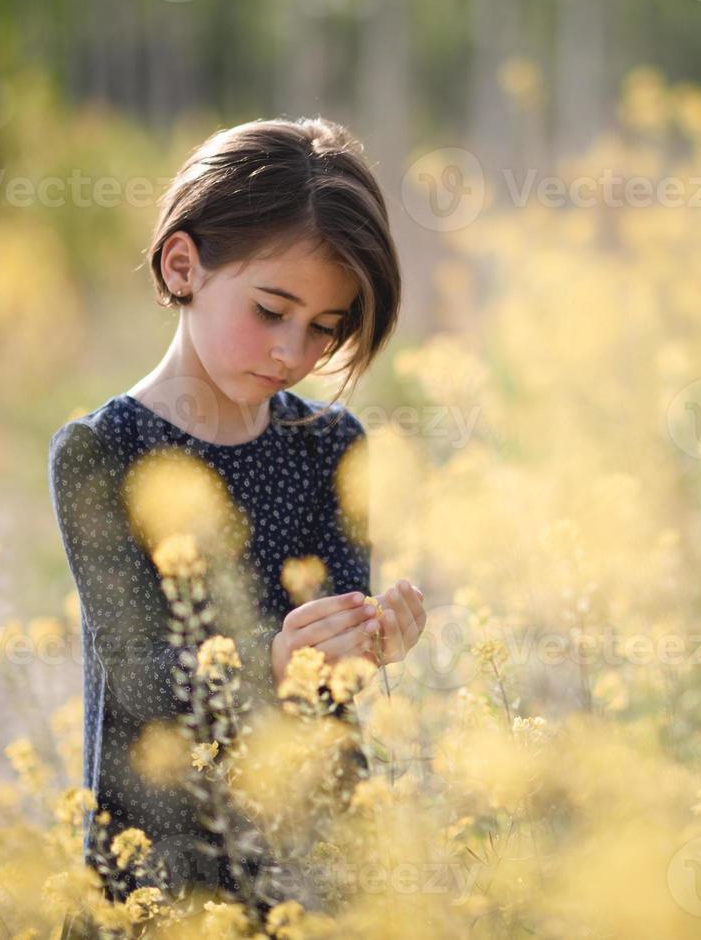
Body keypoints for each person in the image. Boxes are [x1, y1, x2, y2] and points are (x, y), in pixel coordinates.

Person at [46, 117, 428, 916]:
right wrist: (271, 661)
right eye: (270, 310)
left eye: (326, 328)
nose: (294, 351)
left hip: (307, 843)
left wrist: (366, 641)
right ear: (183, 265)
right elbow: (140, 673)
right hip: (161, 852)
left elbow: (330, 672)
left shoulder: (330, 444)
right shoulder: (100, 453)